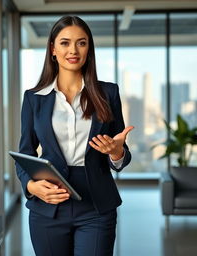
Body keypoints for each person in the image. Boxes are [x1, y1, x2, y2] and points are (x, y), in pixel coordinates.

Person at [16, 15, 134, 256]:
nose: (73, 50)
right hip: (48, 206)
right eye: (65, 43)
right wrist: (30, 186)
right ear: (53, 49)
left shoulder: (108, 93)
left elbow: (121, 154)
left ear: (89, 49)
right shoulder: (33, 98)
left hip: (96, 206)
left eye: (81, 43)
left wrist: (116, 152)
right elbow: (25, 153)